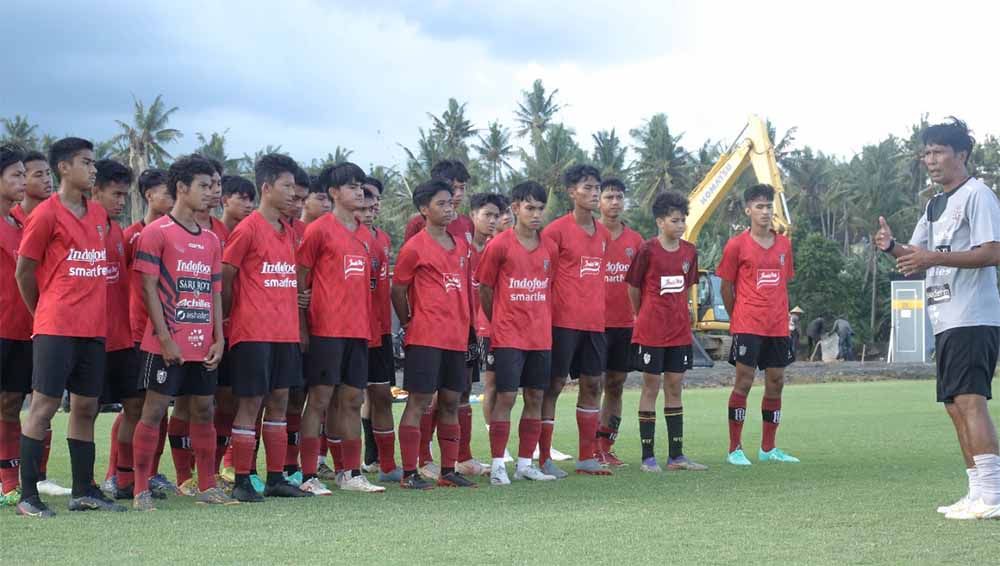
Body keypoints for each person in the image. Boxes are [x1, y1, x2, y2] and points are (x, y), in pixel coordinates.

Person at [875, 117, 1000, 520]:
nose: (930, 160)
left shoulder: (978, 195)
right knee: (954, 405)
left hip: (973, 315)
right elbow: (918, 254)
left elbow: (992, 251)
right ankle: (976, 492)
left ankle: (994, 495)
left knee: (970, 401)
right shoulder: (934, 204)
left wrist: (933, 258)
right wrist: (892, 246)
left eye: (938, 151)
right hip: (945, 317)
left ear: (961, 155)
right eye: (926, 152)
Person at [15, 138, 124, 517]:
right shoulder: (45, 214)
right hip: (56, 326)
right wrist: (43, 311)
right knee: (43, 405)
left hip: (92, 328)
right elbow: (24, 271)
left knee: (86, 406)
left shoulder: (98, 214)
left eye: (94, 164)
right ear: (64, 168)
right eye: (86, 163)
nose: (93, 170)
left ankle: (83, 491)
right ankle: (29, 496)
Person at [129, 155, 233, 511]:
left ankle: (206, 485)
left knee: (204, 410)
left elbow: (214, 292)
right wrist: (165, 338)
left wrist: (219, 337)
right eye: (204, 186)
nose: (212, 193)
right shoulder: (156, 233)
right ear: (182, 189)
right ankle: (140, 489)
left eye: (214, 186)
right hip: (164, 343)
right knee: (154, 412)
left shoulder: (211, 240)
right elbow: (148, 287)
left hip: (203, 343)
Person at [222, 154, 312, 501]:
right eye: (286, 186)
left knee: (279, 400)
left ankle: (276, 477)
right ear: (266, 187)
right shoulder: (247, 228)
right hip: (253, 332)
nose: (293, 194)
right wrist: (235, 315)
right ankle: (242, 480)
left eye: (295, 187)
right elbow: (226, 279)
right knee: (250, 403)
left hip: (284, 332)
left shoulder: (288, 231)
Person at [296, 162, 384, 494]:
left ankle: (350, 473)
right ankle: (307, 476)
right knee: (318, 400)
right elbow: (300, 279)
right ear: (333, 193)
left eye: (361, 186)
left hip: (358, 331)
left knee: (351, 399)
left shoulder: (366, 235)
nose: (359, 191)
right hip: (325, 329)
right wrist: (304, 327)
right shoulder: (318, 230)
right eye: (351, 186)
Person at [391, 179, 477, 489]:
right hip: (425, 337)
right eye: (441, 203)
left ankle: (448, 470)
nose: (449, 207)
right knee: (419, 402)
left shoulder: (462, 245)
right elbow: (398, 289)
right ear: (424, 209)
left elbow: (467, 290)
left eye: (450, 202)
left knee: (452, 401)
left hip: (456, 337)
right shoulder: (414, 247)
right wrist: (409, 322)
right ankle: (409, 472)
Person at [477, 181, 557, 485]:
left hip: (540, 336)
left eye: (540, 209)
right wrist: (498, 321)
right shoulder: (498, 245)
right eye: (529, 208)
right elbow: (485, 288)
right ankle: (498, 465)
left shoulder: (549, 246)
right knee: (506, 396)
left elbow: (548, 286)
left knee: (535, 395)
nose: (536, 214)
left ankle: (526, 463)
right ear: (515, 208)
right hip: (509, 335)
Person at [718, 183, 799, 466]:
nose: (765, 212)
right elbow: (725, 287)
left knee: (776, 383)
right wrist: (737, 317)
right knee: (744, 382)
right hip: (748, 325)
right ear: (748, 209)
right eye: (760, 206)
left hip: (777, 326)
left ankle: (768, 448)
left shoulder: (784, 244)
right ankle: (735, 449)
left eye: (769, 206)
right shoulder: (736, 245)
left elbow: (782, 285)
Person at [627, 191, 706, 473]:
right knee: (651, 387)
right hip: (651, 331)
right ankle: (648, 457)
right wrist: (643, 314)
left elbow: (685, 288)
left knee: (675, 387)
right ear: (660, 222)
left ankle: (676, 456)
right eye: (675, 220)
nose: (681, 224)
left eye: (683, 219)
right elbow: (633, 288)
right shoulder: (647, 250)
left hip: (679, 332)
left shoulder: (689, 252)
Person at [541, 164, 611, 477]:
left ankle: (586, 456)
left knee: (593, 384)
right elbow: (544, 276)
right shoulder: (555, 231)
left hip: (595, 323)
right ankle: (543, 457)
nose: (594, 193)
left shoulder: (604, 234)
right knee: (553, 385)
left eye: (597, 187)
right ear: (572, 192)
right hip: (562, 322)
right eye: (587, 187)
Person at [90, 160, 145, 501]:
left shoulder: (117, 232)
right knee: (84, 410)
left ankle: (121, 479)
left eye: (125, 195)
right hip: (88, 337)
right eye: (116, 194)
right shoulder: (83, 229)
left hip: (122, 337)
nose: (122, 202)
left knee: (135, 405)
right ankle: (84, 481)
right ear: (95, 191)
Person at [595, 178, 643, 467]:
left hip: (624, 324)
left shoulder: (635, 241)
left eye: (619, 197)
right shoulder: (590, 234)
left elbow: (640, 284)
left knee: (616, 384)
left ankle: (606, 445)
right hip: (592, 324)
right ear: (598, 201)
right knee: (591, 384)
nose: (614, 202)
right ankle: (588, 446)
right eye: (609, 196)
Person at [357, 177, 402, 483]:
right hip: (349, 331)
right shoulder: (341, 235)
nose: (373, 203)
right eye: (367, 196)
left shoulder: (384, 239)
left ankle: (383, 463)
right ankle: (337, 465)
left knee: (382, 395)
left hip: (381, 330)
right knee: (342, 399)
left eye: (377, 198)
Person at [459, 192, 503, 478]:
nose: (492, 221)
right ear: (472, 215)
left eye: (496, 216)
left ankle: (463, 457)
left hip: (477, 332)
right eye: (487, 215)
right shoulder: (460, 247)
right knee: (438, 395)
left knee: (461, 391)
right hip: (457, 328)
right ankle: (423, 457)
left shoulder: (494, 247)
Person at [0, 145, 30, 506]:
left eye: (25, 174)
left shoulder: (22, 224)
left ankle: (9, 482)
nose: (22, 181)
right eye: (16, 175)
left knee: (11, 404)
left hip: (22, 328)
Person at [11, 151, 52, 223]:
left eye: (48, 173)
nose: (47, 180)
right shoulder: (12, 219)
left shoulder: (62, 213)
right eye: (38, 175)